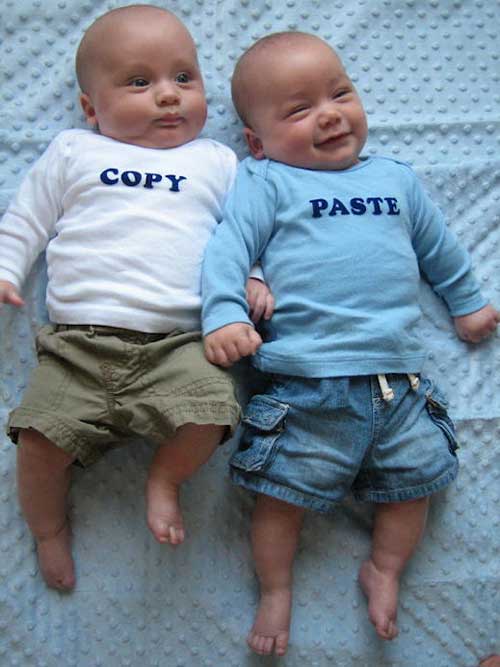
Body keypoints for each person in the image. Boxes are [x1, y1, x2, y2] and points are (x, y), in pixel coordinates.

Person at [201, 32, 500, 656]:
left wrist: (468, 303)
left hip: (401, 385)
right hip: (308, 385)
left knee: (418, 481)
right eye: (299, 109)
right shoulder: (267, 180)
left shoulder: (396, 178)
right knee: (280, 495)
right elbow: (228, 249)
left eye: (340, 94)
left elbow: (439, 249)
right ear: (257, 141)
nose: (330, 115)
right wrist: (224, 313)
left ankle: (384, 569)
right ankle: (276, 589)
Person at [0, 4, 273, 592]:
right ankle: (48, 529)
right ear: (91, 109)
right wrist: (6, 269)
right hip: (77, 348)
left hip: (181, 345)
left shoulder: (216, 161)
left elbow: (241, 232)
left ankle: (165, 480)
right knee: (39, 439)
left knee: (211, 412)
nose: (169, 95)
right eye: (139, 82)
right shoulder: (74, 151)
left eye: (184, 77)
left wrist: (252, 276)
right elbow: (26, 220)